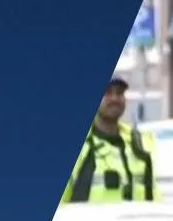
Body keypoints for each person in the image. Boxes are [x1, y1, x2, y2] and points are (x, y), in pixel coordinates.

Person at [62, 77, 157, 205]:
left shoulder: (141, 145)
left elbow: (155, 195)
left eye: (119, 93)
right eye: (107, 93)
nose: (114, 98)